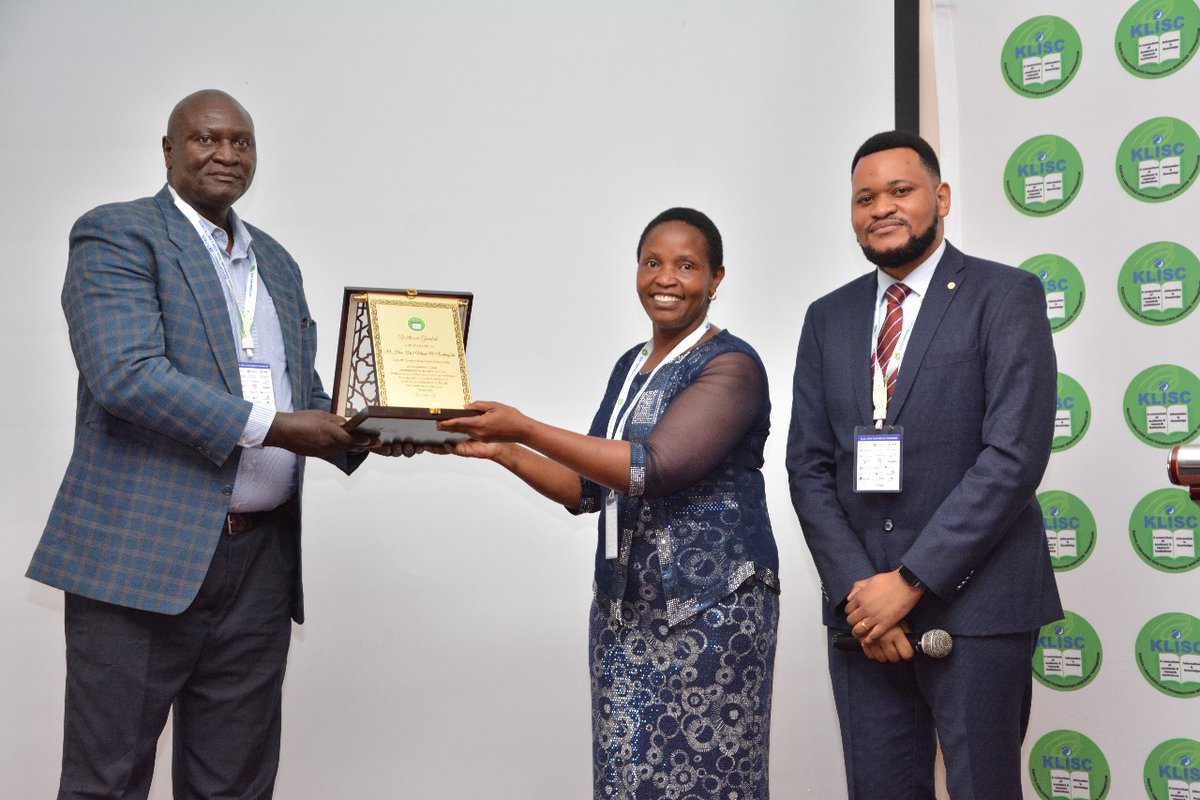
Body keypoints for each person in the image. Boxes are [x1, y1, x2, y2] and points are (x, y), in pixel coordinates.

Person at [27, 89, 375, 799]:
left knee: (234, 784)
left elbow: (301, 388)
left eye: (241, 142)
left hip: (259, 564)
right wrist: (278, 427)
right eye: (206, 139)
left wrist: (377, 429)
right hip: (141, 558)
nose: (226, 154)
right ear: (168, 151)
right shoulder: (117, 235)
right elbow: (127, 377)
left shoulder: (275, 261)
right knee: (108, 780)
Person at [435, 208, 780, 799]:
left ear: (717, 278)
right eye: (652, 263)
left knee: (711, 784)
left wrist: (522, 426)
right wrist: (500, 451)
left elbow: (654, 469)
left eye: (686, 265)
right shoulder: (630, 367)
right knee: (626, 784)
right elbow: (588, 489)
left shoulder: (732, 366)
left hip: (712, 615)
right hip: (625, 617)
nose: (665, 278)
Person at [786, 130, 1062, 800]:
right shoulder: (829, 317)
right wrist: (863, 595)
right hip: (863, 622)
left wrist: (908, 583)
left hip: (979, 606)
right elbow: (809, 467)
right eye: (863, 198)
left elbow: (1013, 456)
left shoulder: (1005, 295)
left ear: (939, 198)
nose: (880, 207)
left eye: (899, 191)